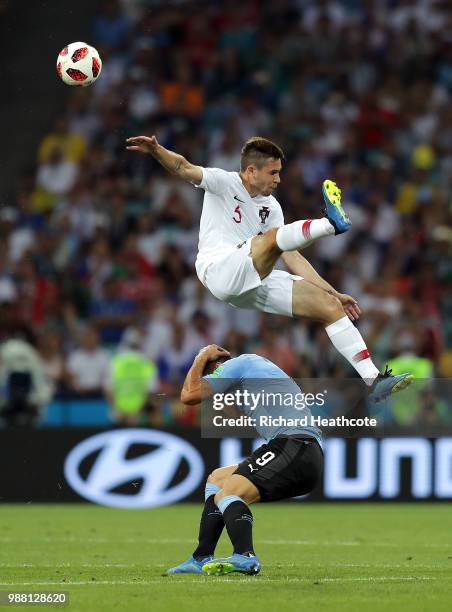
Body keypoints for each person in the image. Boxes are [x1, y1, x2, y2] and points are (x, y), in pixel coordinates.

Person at [126, 134, 412, 401]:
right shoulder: (223, 182)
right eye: (272, 172)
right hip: (218, 270)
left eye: (279, 172)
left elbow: (293, 256)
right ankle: (329, 224)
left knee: (328, 307)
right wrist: (157, 150)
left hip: (253, 278)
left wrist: (334, 291)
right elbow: (182, 167)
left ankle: (373, 380)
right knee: (272, 239)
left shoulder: (272, 207)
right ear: (251, 171)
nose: (278, 179)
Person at [165, 344, 323, 576]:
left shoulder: (240, 364)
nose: (210, 381)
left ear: (218, 366)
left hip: (293, 446)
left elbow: (189, 395)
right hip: (298, 450)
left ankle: (245, 555)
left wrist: (200, 358)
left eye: (211, 375)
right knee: (218, 479)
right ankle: (201, 557)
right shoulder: (254, 373)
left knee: (230, 493)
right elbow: (236, 413)